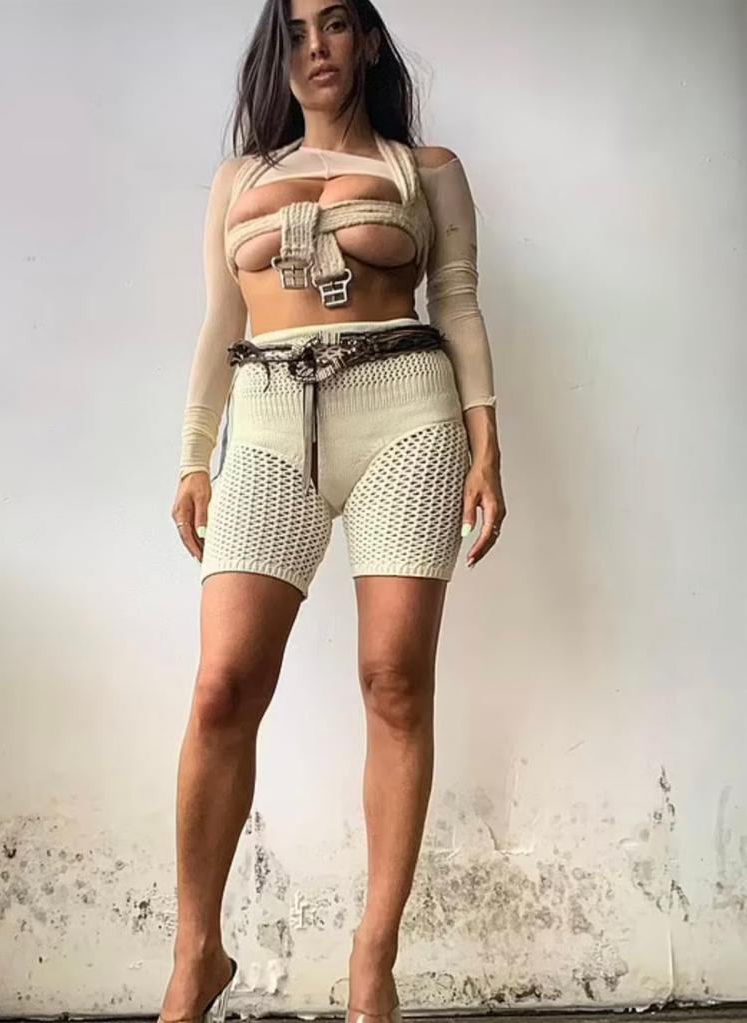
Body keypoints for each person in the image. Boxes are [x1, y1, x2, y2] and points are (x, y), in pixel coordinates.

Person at [162, 2, 506, 1023]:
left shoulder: (426, 169)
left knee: (394, 681)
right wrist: (193, 458)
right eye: (299, 29)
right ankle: (196, 954)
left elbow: (457, 301)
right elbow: (219, 319)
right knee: (223, 686)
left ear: (367, 42)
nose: (318, 45)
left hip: (406, 414)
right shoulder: (238, 180)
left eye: (339, 24)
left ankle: (372, 959)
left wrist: (487, 444)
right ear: (280, 52)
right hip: (268, 417)